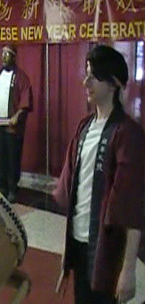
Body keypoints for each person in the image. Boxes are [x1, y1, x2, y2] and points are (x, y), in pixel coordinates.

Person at [54, 45, 143, 304]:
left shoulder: (128, 134)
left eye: (93, 76)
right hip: (79, 244)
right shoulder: (84, 127)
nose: (85, 82)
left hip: (106, 251)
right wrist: (66, 252)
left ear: (114, 83)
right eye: (86, 74)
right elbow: (73, 194)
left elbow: (132, 207)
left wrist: (128, 270)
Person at [0, 45, 33, 201]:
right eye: (2, 54)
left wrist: (17, 116)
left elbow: (26, 100)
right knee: (2, 155)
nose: (3, 57)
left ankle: (13, 187)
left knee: (13, 157)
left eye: (7, 54)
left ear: (14, 57)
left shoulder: (21, 77)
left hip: (13, 126)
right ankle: (2, 184)